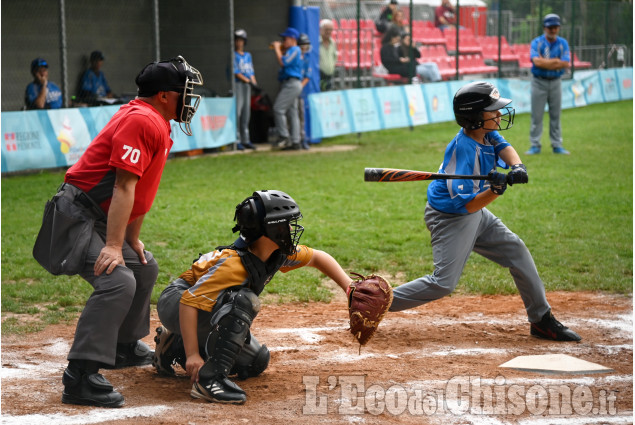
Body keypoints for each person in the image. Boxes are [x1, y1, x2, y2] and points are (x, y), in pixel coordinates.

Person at [35, 56, 203, 408]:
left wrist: (129, 240)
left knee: (143, 266)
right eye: (183, 92)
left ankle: (122, 346)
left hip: (98, 217)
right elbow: (123, 187)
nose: (188, 98)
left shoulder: (155, 121)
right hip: (76, 216)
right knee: (117, 279)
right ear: (162, 96)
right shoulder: (142, 120)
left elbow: (139, 195)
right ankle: (79, 376)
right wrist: (113, 246)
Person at [388, 81, 581, 343]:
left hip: (473, 211)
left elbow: (504, 147)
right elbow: (466, 205)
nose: (499, 115)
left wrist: (517, 167)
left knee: (516, 250)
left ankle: (541, 319)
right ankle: (375, 302)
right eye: (493, 111)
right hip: (451, 218)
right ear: (475, 118)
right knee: (443, 283)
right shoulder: (462, 149)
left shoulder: (485, 134)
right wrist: (495, 190)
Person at [152, 190, 352, 404]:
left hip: (197, 306)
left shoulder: (273, 252)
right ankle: (209, 381)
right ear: (272, 229)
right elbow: (189, 302)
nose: (292, 229)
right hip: (176, 302)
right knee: (243, 300)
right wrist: (193, 355)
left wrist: (350, 288)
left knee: (255, 362)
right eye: (287, 224)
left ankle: (174, 343)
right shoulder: (234, 265)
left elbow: (317, 257)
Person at [526, 14, 571, 155]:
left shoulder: (562, 43)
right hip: (539, 81)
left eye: (555, 27)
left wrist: (547, 63)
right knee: (537, 116)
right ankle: (535, 145)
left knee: (556, 115)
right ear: (544, 27)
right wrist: (555, 62)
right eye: (550, 27)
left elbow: (565, 63)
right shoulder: (537, 42)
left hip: (556, 82)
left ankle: (557, 145)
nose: (553, 30)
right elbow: (537, 62)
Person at [271, 27, 304, 151]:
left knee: (278, 108)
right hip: (291, 83)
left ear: (292, 39)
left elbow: (283, 62)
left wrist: (277, 49)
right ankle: (296, 142)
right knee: (293, 113)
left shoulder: (295, 49)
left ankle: (284, 136)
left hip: (292, 83)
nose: (283, 41)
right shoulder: (291, 50)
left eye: (285, 39)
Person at [233, 29, 258, 150]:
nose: (239, 43)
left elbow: (251, 71)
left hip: (247, 85)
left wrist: (254, 83)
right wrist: (248, 81)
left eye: (241, 40)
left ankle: (246, 139)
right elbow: (236, 72)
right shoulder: (233, 55)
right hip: (238, 85)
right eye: (237, 40)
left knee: (246, 113)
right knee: (238, 112)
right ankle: (237, 140)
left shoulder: (248, 55)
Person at [298, 33, 313, 150]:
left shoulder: (306, 59)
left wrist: (300, 86)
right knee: (292, 115)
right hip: (291, 88)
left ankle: (303, 139)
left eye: (306, 46)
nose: (305, 48)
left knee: (301, 114)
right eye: (302, 46)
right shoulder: (295, 57)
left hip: (300, 90)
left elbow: (307, 76)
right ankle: (294, 139)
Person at [318, 19, 337, 91]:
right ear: (321, 29)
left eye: (330, 30)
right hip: (319, 76)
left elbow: (334, 57)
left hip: (330, 76)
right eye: (326, 29)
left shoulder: (333, 43)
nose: (328, 32)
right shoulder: (316, 42)